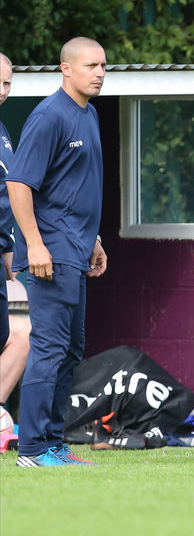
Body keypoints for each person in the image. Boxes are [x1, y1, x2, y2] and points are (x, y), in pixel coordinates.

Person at [8, 37, 109, 467]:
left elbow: (76, 186)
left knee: (71, 348)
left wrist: (96, 239)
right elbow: (19, 183)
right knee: (49, 347)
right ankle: (31, 449)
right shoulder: (49, 116)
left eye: (104, 65)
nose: (100, 73)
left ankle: (52, 442)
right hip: (50, 249)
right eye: (91, 65)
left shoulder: (90, 115)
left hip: (77, 248)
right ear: (66, 69)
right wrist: (34, 243)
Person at [0, 53, 32, 450]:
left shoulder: (4, 131)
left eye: (7, 84)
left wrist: (11, 254)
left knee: (20, 334)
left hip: (2, 249)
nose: (2, 91)